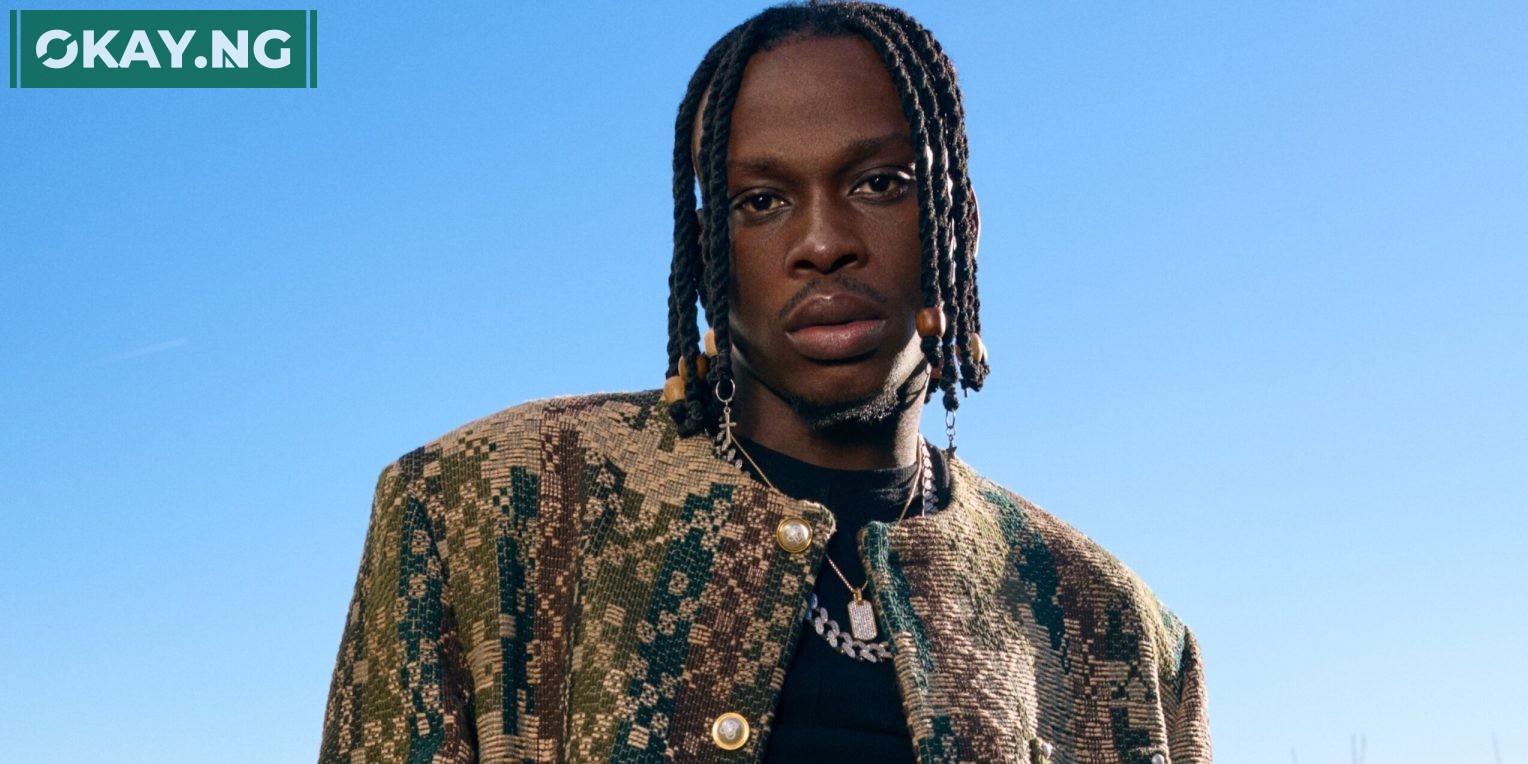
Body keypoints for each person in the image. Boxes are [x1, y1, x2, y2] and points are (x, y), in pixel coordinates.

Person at [318, 3, 1211, 762]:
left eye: (880, 183)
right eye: (762, 200)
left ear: (958, 224)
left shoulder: (1117, 630)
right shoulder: (488, 503)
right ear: (711, 249)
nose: (823, 242)